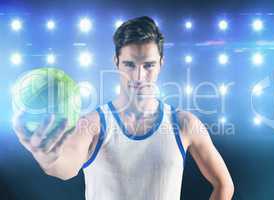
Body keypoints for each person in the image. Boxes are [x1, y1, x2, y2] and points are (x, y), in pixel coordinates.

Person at [13, 16, 234, 200]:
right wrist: (48, 158)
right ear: (116, 62)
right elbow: (66, 168)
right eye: (130, 64)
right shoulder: (93, 124)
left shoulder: (184, 124)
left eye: (148, 65)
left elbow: (224, 185)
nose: (139, 76)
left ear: (161, 64)